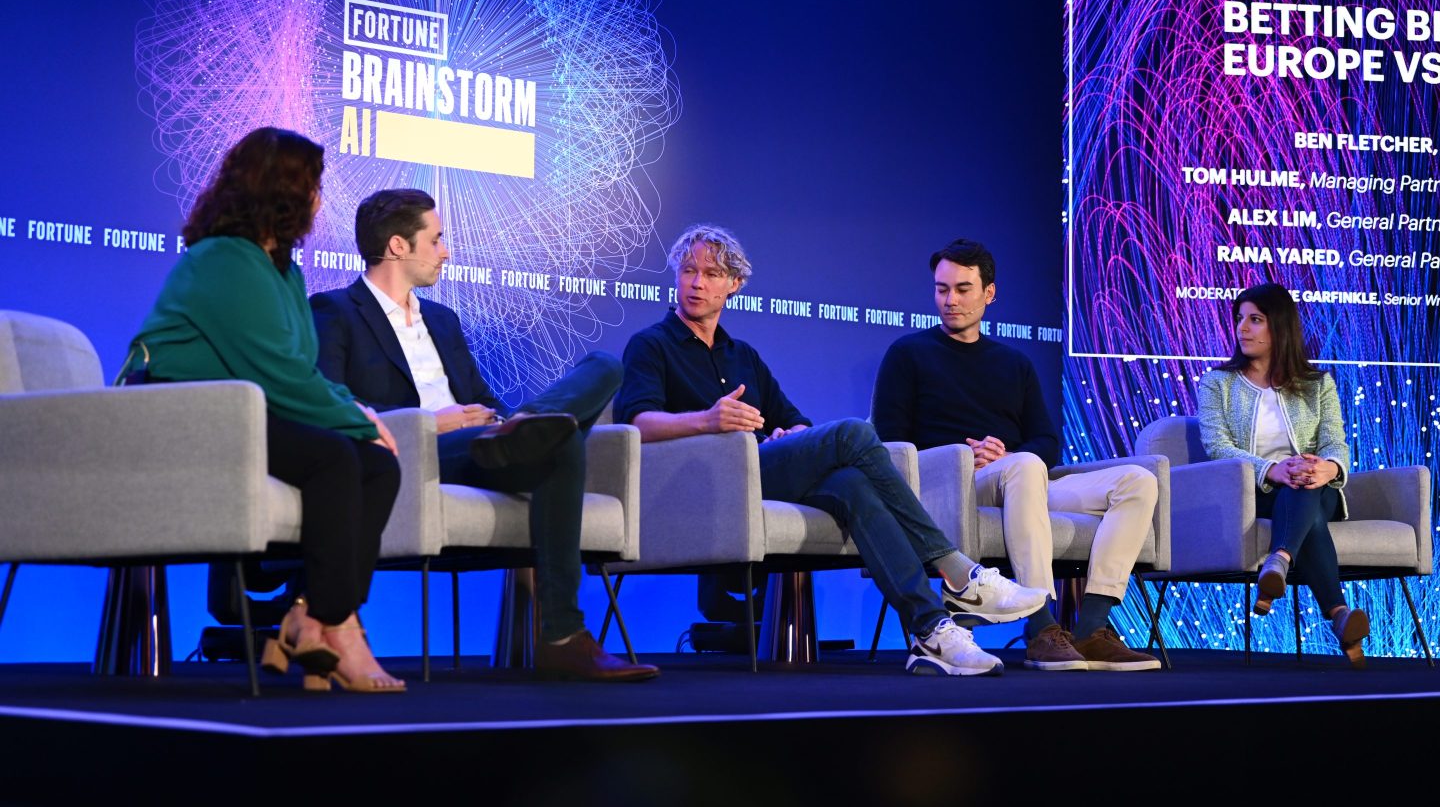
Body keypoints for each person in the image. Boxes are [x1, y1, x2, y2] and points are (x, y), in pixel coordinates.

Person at [614, 224, 1049, 676]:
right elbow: (637, 424)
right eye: (688, 271)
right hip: (707, 477)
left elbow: (794, 419)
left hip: (761, 471)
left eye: (710, 273)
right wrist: (708, 420)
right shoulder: (651, 345)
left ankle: (931, 629)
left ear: (734, 284)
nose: (697, 283)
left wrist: (790, 434)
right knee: (853, 434)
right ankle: (957, 570)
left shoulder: (742, 355)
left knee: (853, 484)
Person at [310, 188, 658, 681]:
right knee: (560, 441)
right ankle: (564, 631)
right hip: (414, 449)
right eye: (436, 240)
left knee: (599, 373)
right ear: (397, 246)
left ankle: (528, 428)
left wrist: (496, 419)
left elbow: (482, 398)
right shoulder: (335, 310)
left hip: (482, 445)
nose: (447, 251)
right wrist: (432, 420)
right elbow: (335, 403)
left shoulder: (443, 320)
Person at [129, 127, 404, 692]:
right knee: (335, 455)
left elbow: (296, 369)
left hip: (240, 416)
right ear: (282, 190)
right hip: (177, 417)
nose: (320, 199)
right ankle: (337, 627)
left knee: (377, 464)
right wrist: (361, 418)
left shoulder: (282, 269)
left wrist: (354, 416)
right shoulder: (223, 260)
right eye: (313, 185)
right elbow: (277, 373)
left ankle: (317, 615)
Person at [873, 238, 1160, 672]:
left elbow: (1046, 441)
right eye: (942, 289)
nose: (950, 300)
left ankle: (1092, 628)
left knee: (1138, 481)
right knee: (1025, 466)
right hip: (952, 484)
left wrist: (1006, 453)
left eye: (963, 289)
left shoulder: (1015, 363)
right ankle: (1041, 625)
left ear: (990, 293)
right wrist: (961, 455)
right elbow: (891, 441)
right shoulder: (908, 354)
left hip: (1016, 479)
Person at [1196, 282, 1367, 667]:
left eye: (1255, 320)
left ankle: (1280, 559)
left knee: (1304, 483)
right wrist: (1273, 468)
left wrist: (1328, 468)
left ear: (1280, 327)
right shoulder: (1218, 383)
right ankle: (1339, 615)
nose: (1243, 328)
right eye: (1240, 319)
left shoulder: (1317, 384)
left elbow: (1336, 443)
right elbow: (1217, 447)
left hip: (1314, 489)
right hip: (1254, 491)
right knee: (1296, 487)